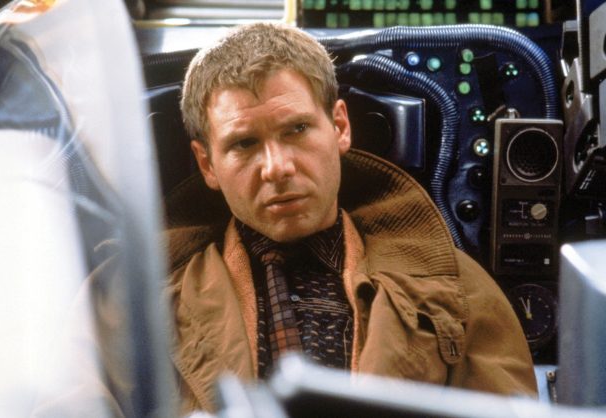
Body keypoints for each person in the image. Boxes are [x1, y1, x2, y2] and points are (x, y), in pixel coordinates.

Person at [165, 22, 537, 414]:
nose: (276, 168)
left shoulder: (460, 290)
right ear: (207, 164)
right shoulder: (142, 307)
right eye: (244, 143)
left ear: (340, 127)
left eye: (297, 129)